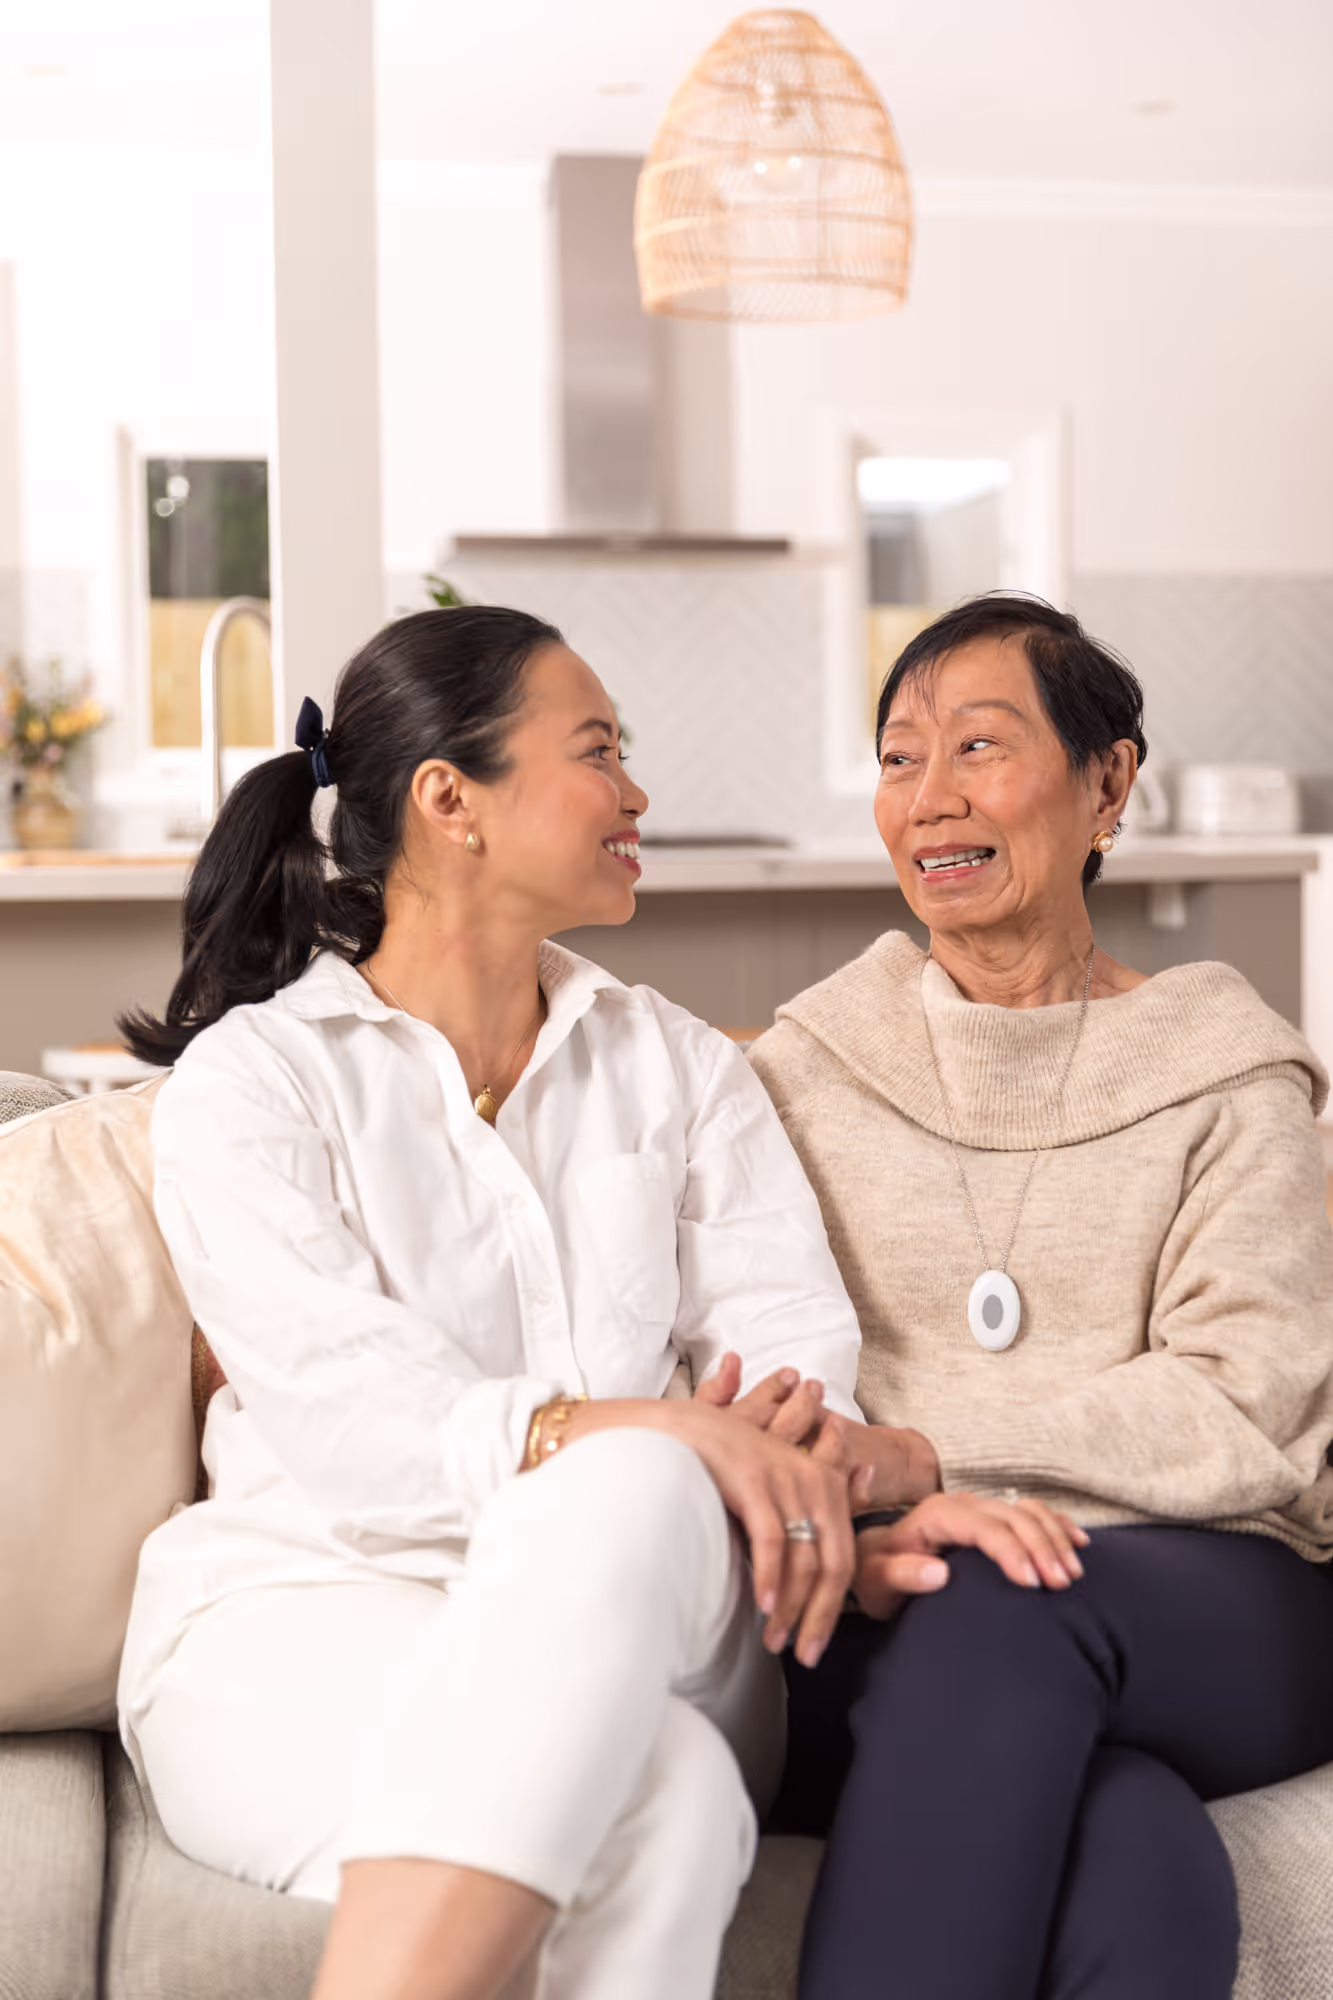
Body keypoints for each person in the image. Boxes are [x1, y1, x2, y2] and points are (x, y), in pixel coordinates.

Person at [118, 605, 1054, 2000]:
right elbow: (354, 1427)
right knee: (673, 1787)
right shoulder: (258, 1082)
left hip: (662, 1630)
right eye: (599, 750)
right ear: (454, 804)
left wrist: (767, 1468)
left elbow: (799, 1384)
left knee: (639, 1497)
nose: (638, 793)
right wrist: (668, 1436)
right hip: (301, 1623)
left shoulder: (680, 1068)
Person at [749, 594, 1333, 2000]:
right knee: (1139, 1853)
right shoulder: (804, 1068)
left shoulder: (1228, 1073)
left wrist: (938, 1454)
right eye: (898, 759)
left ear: (1106, 784)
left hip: (1217, 1588)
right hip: (891, 1592)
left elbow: (1246, 1400)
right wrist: (889, 1499)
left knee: (1004, 1596)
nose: (931, 800)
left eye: (979, 748)